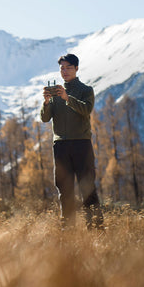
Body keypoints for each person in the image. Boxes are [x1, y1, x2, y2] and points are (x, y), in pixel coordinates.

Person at [40, 54, 104, 230]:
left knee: (87, 187)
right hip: (60, 145)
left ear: (76, 69)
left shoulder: (86, 90)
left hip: (81, 144)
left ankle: (96, 229)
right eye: (62, 68)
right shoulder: (55, 92)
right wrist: (46, 102)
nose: (65, 71)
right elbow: (45, 118)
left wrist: (67, 98)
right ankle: (67, 229)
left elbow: (86, 110)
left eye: (68, 67)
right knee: (64, 190)